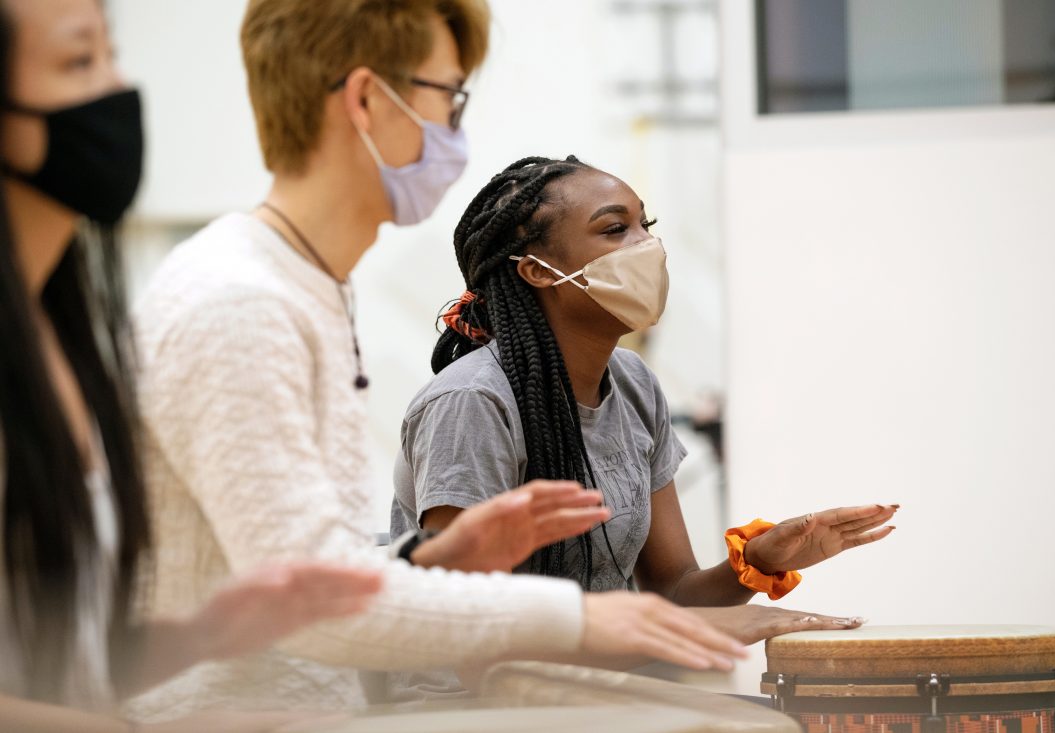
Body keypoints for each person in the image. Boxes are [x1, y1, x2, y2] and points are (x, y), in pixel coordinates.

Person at [127, 0, 744, 722]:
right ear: (366, 100)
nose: (457, 127)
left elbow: (330, 579)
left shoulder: (307, 289)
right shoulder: (241, 303)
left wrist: (431, 559)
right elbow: (315, 608)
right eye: (449, 96)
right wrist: (594, 621)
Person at [0, 0, 390, 730]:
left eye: (112, 55)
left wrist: (203, 636)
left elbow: (55, 654)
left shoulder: (67, 336)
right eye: (80, 62)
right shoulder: (232, 295)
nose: (118, 89)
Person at [389, 156, 899, 696]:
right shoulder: (472, 402)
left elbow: (675, 591)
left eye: (644, 227)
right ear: (537, 270)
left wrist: (753, 564)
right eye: (615, 230)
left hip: (583, 699)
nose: (646, 247)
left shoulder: (634, 384)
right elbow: (468, 629)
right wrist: (688, 629)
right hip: (463, 709)